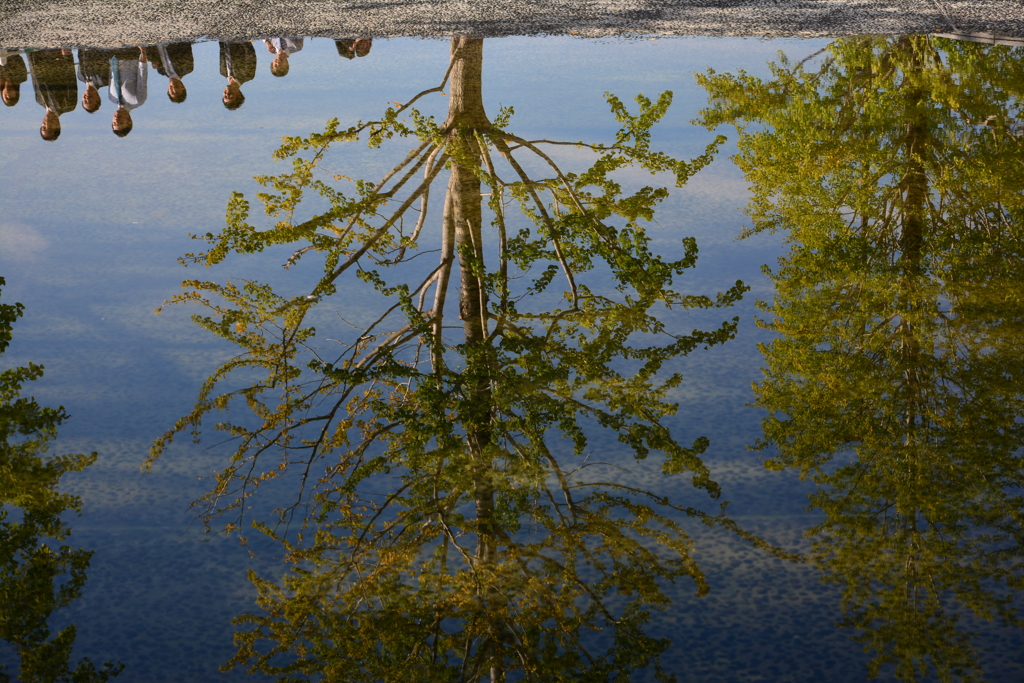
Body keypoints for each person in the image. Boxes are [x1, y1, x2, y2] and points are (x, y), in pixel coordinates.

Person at [28, 49, 77, 141]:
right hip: (56, 56)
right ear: (58, 125)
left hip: (38, 55)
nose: (46, 124)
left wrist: (29, 53)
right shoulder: (69, 105)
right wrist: (67, 56)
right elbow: (71, 79)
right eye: (50, 128)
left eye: (43, 127)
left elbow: (34, 75)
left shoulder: (39, 100)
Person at [108, 47, 148, 137]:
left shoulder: (111, 98)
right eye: (121, 123)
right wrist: (143, 53)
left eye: (114, 123)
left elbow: (111, 75)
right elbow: (142, 76)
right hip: (132, 55)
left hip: (114, 55)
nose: (116, 120)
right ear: (129, 121)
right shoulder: (138, 101)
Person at [219, 41, 256, 110]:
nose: (227, 94)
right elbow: (250, 53)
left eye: (225, 97)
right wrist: (242, 39)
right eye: (231, 97)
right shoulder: (248, 75)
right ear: (239, 95)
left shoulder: (223, 72)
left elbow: (222, 50)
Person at [77, 48, 116, 113]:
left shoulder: (80, 77)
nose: (87, 99)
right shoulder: (104, 80)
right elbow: (105, 56)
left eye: (85, 101)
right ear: (98, 98)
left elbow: (80, 57)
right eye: (90, 102)